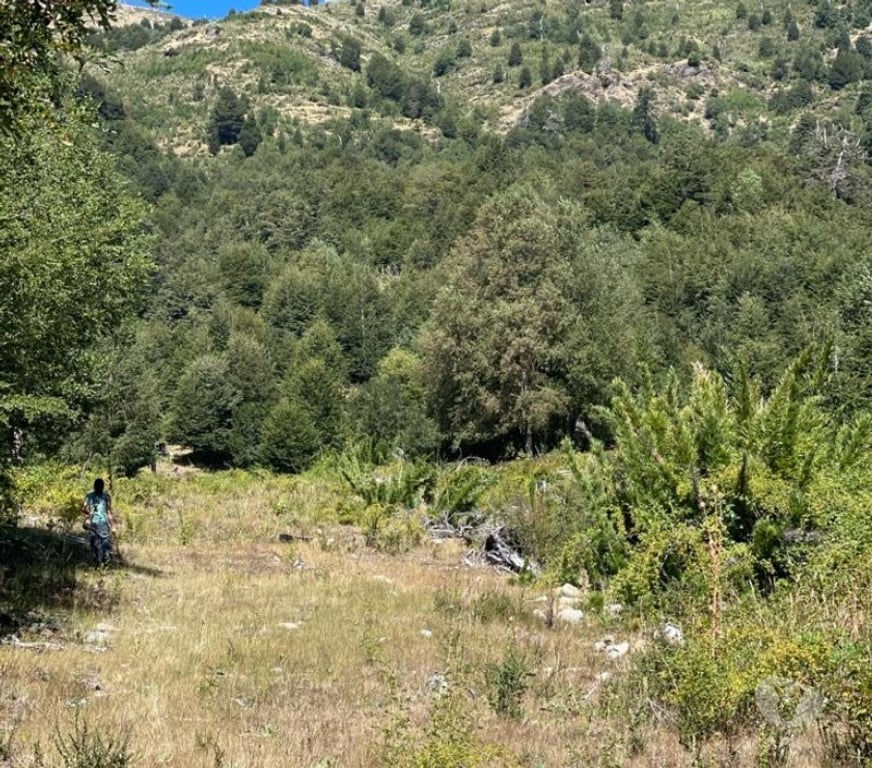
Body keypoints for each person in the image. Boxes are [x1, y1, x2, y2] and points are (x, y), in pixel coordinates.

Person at [83, 478, 117, 568]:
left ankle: (99, 562)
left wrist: (89, 514)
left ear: (94, 486)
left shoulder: (89, 496)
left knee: (96, 543)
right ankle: (103, 562)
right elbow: (109, 513)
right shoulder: (106, 497)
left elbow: (84, 508)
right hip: (102, 523)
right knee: (103, 542)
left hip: (94, 523)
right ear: (103, 487)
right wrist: (113, 526)